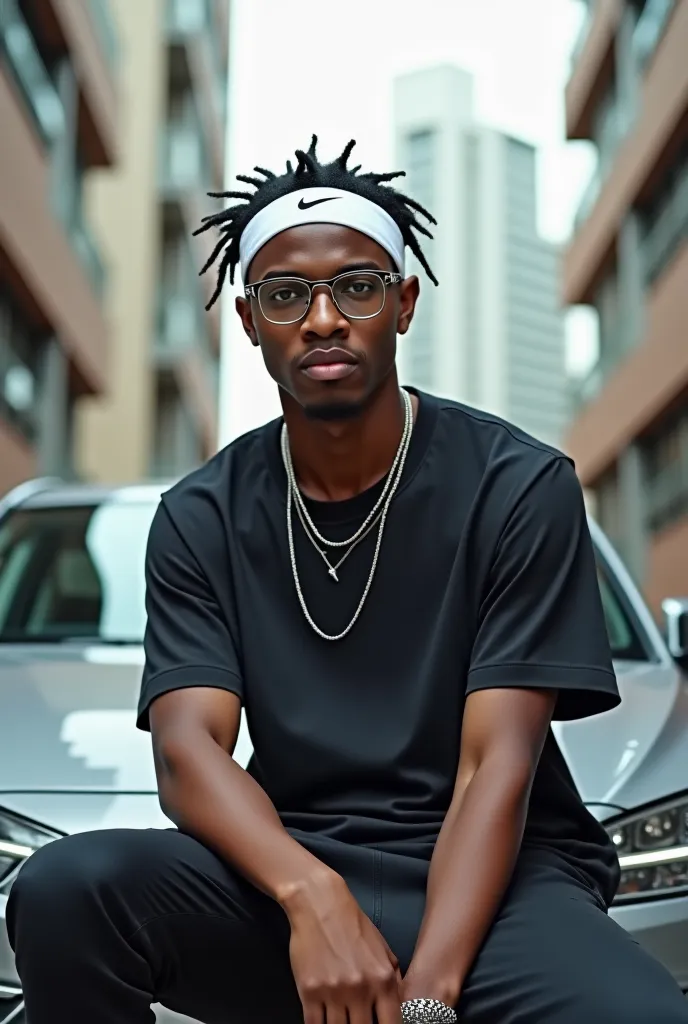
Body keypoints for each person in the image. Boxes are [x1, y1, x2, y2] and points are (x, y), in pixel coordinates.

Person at [8, 137, 688, 1024]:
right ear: (250, 321)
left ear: (403, 304)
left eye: (357, 286)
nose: (323, 318)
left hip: (500, 879)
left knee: (634, 1013)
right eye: (286, 295)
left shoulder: (517, 484)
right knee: (65, 889)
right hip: (293, 863)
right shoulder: (202, 514)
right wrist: (309, 897)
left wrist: (430, 1000)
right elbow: (189, 753)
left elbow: (497, 762)